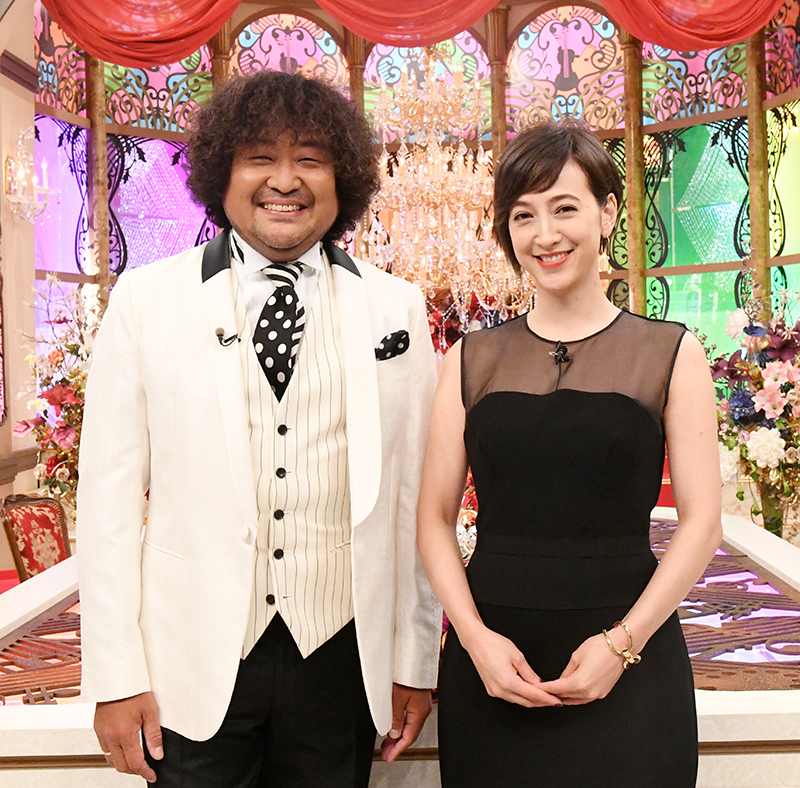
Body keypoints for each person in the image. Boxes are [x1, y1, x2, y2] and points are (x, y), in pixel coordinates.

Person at [77, 71, 441, 787]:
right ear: (223, 173)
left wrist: (413, 660)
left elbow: (415, 502)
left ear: (343, 180)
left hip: (341, 657)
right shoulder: (147, 300)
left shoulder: (396, 307)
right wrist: (115, 676)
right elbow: (108, 503)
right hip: (190, 665)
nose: (285, 180)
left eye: (310, 159)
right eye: (260, 158)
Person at [417, 121, 722, 787]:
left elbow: (702, 525)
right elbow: (433, 520)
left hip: (630, 656)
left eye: (564, 208)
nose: (544, 234)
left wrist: (623, 644)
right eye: (523, 215)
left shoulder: (670, 352)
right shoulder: (471, 359)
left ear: (607, 213)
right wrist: (473, 640)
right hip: (494, 662)